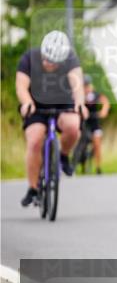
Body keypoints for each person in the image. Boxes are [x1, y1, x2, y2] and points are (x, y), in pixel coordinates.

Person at [16, 30, 89, 207]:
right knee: (34, 140)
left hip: (63, 103)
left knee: (73, 125)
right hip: (36, 104)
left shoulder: (70, 60)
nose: (48, 64)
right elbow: (21, 86)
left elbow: (77, 86)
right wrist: (26, 103)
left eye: (53, 62)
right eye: (46, 59)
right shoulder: (29, 58)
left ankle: (63, 156)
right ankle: (33, 189)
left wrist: (80, 103)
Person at [82, 74, 110, 174]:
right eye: (83, 85)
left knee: (97, 142)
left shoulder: (94, 94)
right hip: (82, 122)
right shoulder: (79, 95)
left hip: (94, 122)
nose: (86, 88)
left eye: (87, 85)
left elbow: (105, 101)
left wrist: (104, 111)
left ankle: (98, 167)